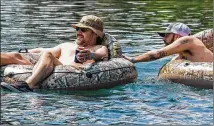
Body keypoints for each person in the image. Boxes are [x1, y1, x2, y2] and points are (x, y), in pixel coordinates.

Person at [1, 15, 108, 91]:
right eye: (78, 29)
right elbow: (42, 50)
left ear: (95, 34)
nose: (79, 32)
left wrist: (90, 55)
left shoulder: (98, 47)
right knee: (15, 56)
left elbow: (101, 54)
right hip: (49, 67)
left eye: (83, 30)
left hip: (70, 70)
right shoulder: (66, 45)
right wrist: (26, 51)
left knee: (48, 55)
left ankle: (28, 85)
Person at [124, 23, 213, 63]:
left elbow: (157, 54)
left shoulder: (188, 40)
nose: (163, 39)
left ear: (177, 36)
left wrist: (133, 59)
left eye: (167, 35)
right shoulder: (178, 57)